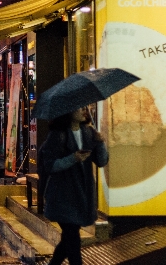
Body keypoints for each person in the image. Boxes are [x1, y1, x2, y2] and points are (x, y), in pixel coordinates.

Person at [41, 106, 109, 265]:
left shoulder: (89, 133)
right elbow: (50, 165)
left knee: (68, 239)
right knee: (73, 238)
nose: (84, 110)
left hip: (82, 194)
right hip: (63, 195)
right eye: (79, 108)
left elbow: (102, 161)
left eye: (85, 107)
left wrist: (100, 143)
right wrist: (73, 158)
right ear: (68, 112)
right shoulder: (57, 135)